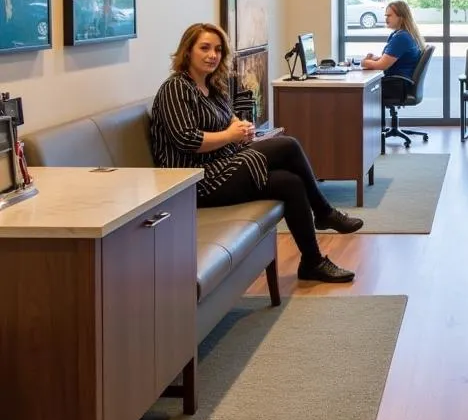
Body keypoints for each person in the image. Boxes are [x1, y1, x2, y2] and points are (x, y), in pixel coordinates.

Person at [151, 22, 363, 284]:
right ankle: (324, 212)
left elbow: (228, 119)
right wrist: (231, 135)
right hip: (196, 181)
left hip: (221, 164)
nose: (212, 55)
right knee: (288, 145)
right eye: (204, 48)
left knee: (291, 183)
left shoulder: (211, 86)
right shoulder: (176, 88)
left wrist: (240, 127)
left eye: (217, 49)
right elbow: (187, 139)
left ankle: (312, 261)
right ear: (187, 52)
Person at [360, 0, 423, 78]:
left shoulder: (402, 37)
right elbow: (393, 59)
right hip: (396, 83)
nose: (386, 19)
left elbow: (381, 66)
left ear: (401, 17)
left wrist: (364, 62)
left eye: (389, 16)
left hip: (394, 84)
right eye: (386, 16)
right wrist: (375, 59)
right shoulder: (401, 34)